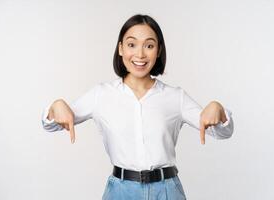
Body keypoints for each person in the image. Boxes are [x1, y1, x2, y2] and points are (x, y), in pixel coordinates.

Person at [41, 14, 234, 200]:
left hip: (167, 191)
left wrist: (218, 110)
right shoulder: (101, 94)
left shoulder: (175, 97)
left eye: (149, 45)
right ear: (121, 49)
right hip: (120, 192)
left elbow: (222, 132)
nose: (140, 54)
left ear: (158, 50)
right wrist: (55, 107)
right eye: (132, 44)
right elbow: (54, 123)